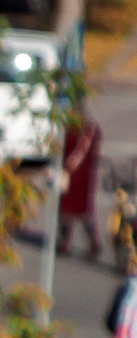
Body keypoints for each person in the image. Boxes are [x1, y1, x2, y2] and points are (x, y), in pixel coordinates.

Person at [61, 113, 103, 264]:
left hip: (83, 176)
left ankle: (94, 243)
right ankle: (65, 242)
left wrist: (75, 160)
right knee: (65, 210)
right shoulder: (66, 127)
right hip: (68, 174)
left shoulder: (88, 128)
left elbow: (85, 146)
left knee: (84, 211)